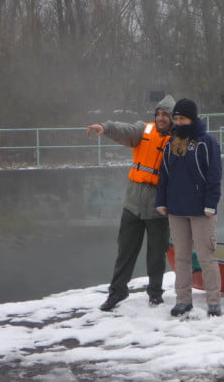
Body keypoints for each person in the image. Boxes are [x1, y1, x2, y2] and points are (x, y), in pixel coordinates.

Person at [86, 95, 175, 311]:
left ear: (173, 118)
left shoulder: (178, 140)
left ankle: (155, 293)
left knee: (156, 254)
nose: (161, 118)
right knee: (125, 251)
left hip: (158, 205)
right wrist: (105, 127)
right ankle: (117, 292)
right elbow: (124, 130)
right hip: (133, 203)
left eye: (166, 115)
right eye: (158, 114)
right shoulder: (143, 130)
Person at [155, 98, 223, 317]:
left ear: (192, 119)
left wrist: (211, 204)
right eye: (175, 118)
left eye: (182, 118)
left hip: (202, 210)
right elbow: (164, 175)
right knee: (182, 257)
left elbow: (214, 176)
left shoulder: (206, 142)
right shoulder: (170, 144)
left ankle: (214, 301)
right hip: (176, 209)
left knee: (206, 256)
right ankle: (183, 300)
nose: (178, 122)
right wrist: (161, 201)